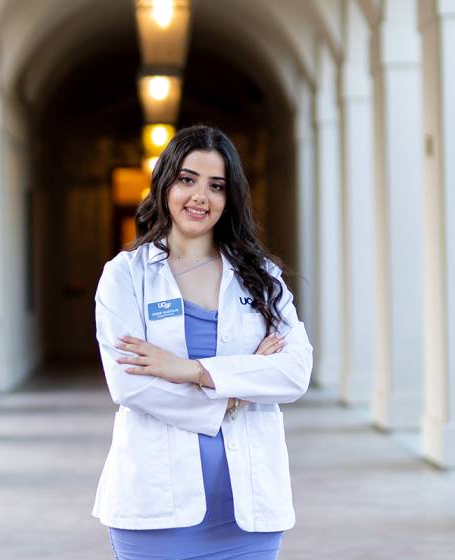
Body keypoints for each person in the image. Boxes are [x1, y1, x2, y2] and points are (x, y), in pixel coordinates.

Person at [92, 124, 314, 559]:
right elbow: (130, 385)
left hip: (246, 513)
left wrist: (192, 371)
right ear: (165, 183)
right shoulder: (126, 276)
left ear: (229, 199)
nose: (200, 197)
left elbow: (294, 373)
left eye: (216, 186)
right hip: (155, 508)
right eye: (187, 180)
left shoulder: (261, 277)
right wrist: (237, 392)